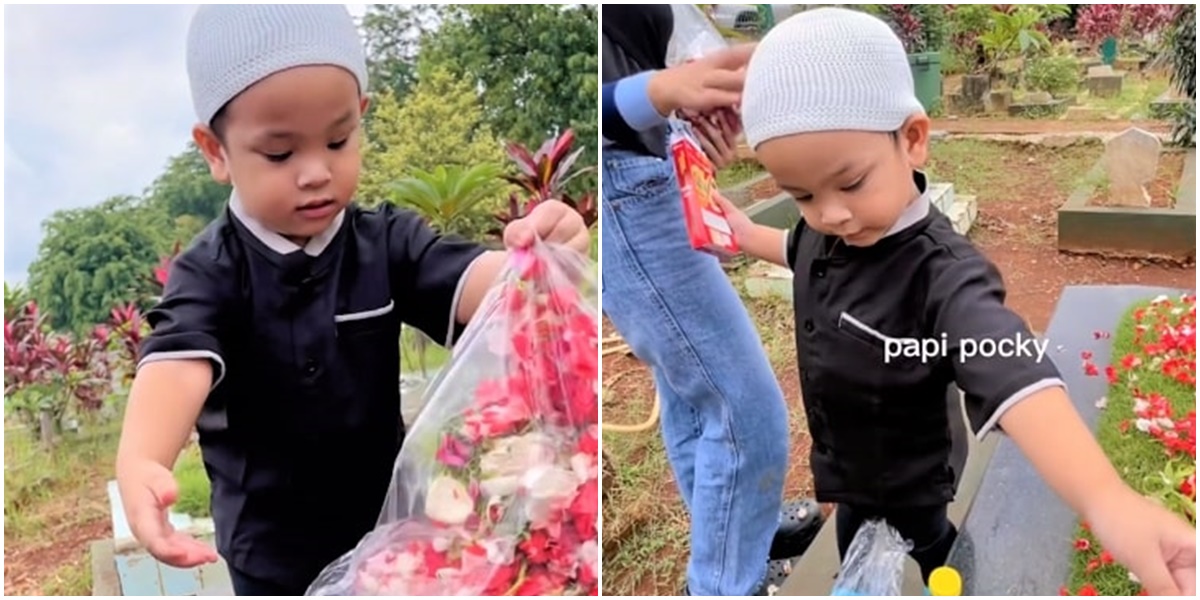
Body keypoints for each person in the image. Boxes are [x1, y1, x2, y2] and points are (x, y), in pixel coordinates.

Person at [718, 7, 1197, 594]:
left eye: (850, 184)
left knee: (937, 558)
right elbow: (797, 249)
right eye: (801, 195)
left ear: (913, 139)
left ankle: (960, 567)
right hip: (847, 474)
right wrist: (741, 234)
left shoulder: (941, 273)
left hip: (913, 480)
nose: (831, 214)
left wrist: (1106, 500)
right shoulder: (830, 229)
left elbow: (1013, 369)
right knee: (857, 562)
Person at [114, 5, 589, 596]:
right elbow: (176, 364)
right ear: (216, 151)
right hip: (271, 564)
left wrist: (537, 258)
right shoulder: (211, 273)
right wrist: (141, 461)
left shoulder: (386, 242)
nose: (316, 172)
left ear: (360, 117)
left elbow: (475, 282)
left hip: (392, 541)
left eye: (338, 140)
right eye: (281, 154)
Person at [602, 5, 822, 596]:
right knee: (747, 412)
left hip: (646, 161)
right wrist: (657, 91)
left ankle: (740, 534)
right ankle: (728, 584)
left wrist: (674, 110)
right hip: (620, 180)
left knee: (691, 395)